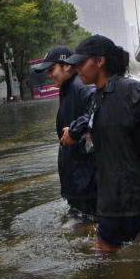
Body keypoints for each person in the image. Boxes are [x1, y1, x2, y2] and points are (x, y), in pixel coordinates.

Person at [64, 35, 140, 251]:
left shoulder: (128, 90)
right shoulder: (98, 97)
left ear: (100, 61)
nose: (78, 69)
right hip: (117, 197)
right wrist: (78, 130)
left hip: (124, 199)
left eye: (82, 63)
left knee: (101, 259)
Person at [33, 46, 97, 222]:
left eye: (51, 69)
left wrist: (76, 130)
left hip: (86, 184)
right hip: (78, 182)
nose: (49, 75)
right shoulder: (69, 88)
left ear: (67, 66)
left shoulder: (81, 87)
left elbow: (99, 109)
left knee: (87, 233)